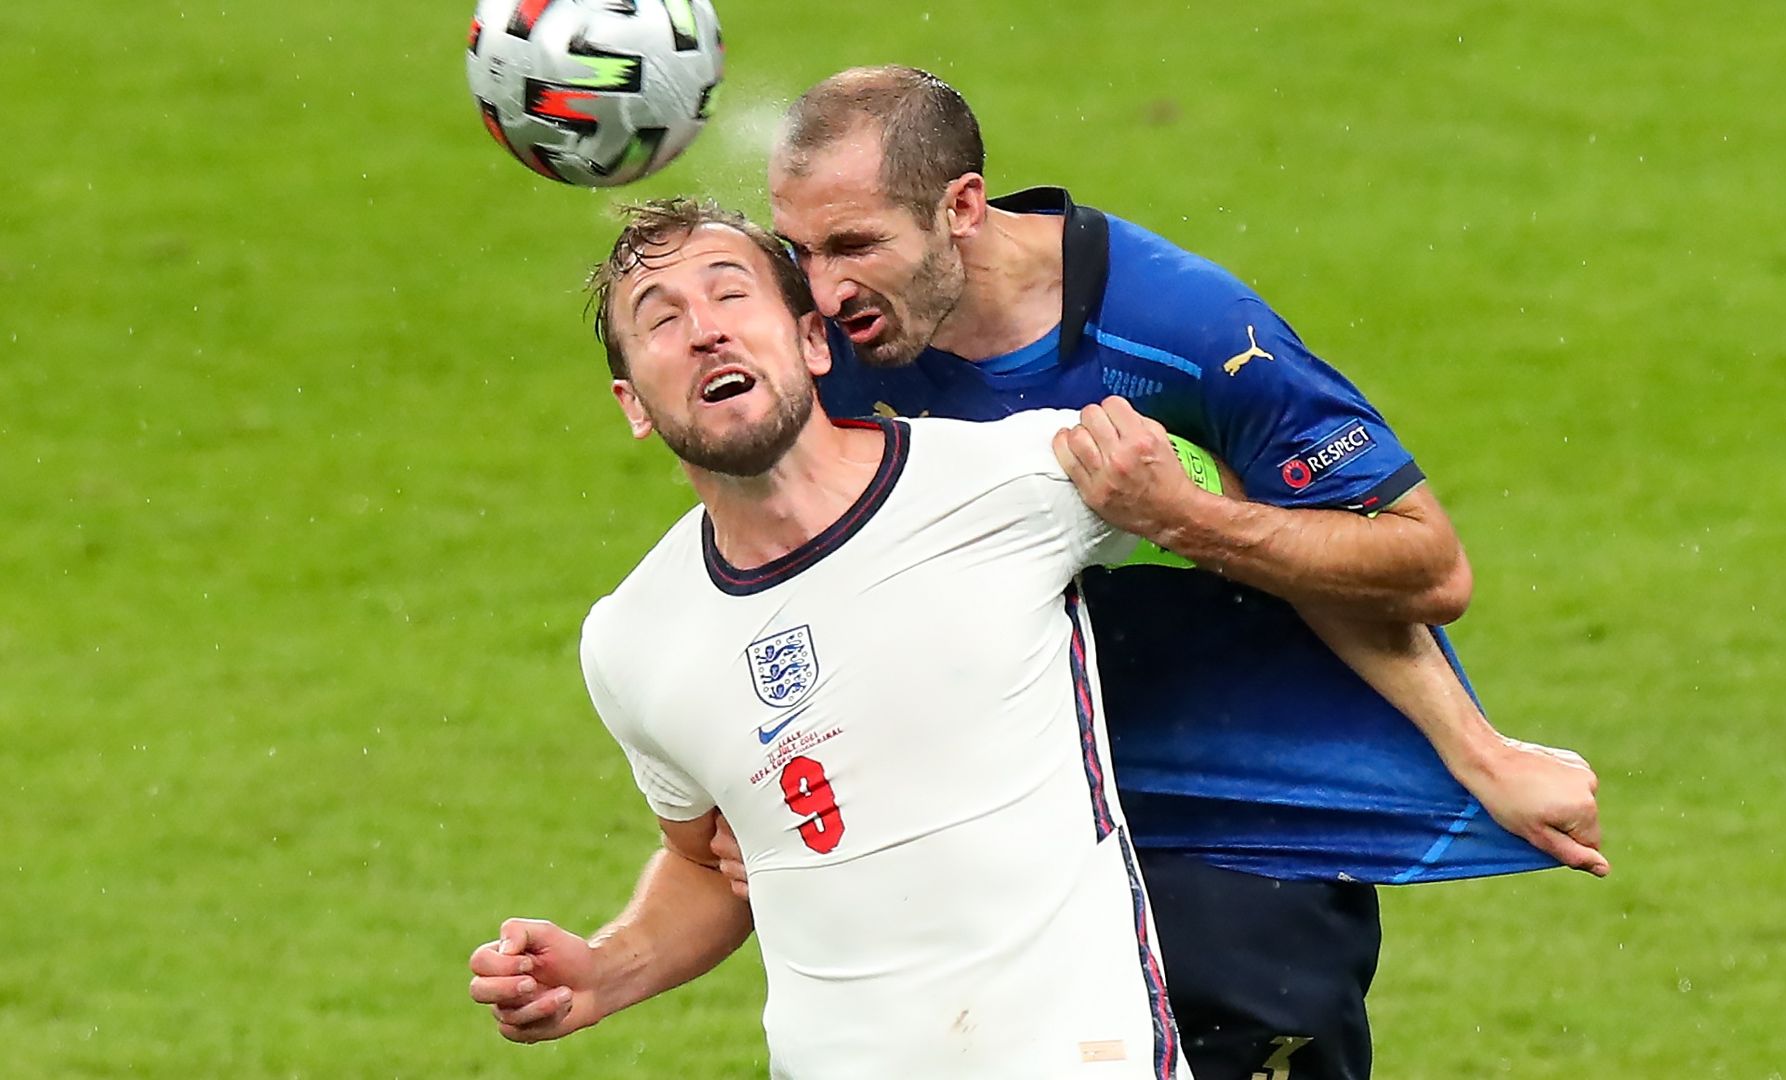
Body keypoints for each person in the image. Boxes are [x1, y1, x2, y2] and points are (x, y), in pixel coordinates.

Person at [753, 65, 1608, 1080]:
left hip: (1242, 827)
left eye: (854, 246)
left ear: (963, 209)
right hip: (1015, 826)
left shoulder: (1185, 328)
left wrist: (1185, 519)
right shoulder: (827, 343)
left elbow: (1420, 562)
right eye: (800, 250)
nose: (822, 288)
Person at [466, 197, 1199, 1078]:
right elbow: (711, 863)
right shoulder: (634, 639)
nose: (705, 332)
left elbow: (1239, 517)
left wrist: (1192, 494)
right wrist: (602, 970)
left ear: (815, 342)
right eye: (661, 319)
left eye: (731, 295)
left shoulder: (1020, 480)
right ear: (633, 405)